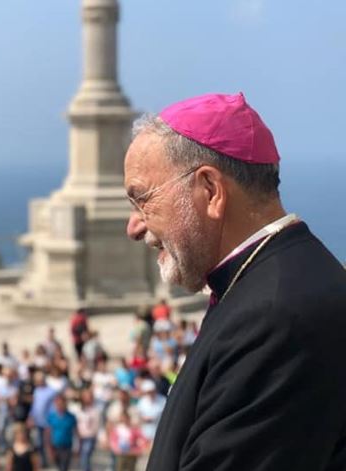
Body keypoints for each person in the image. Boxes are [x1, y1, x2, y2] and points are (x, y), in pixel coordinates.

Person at [124, 92, 346, 469]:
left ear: (210, 191)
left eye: (142, 199)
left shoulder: (275, 317)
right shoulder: (278, 282)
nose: (134, 226)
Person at [45, 395, 76, 471]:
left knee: (64, 467)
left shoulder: (71, 417)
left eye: (62, 403)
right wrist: (49, 448)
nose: (60, 406)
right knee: (58, 466)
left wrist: (77, 447)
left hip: (67, 446)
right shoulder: (51, 416)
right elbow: (48, 433)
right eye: (58, 404)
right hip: (55, 446)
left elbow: (75, 432)